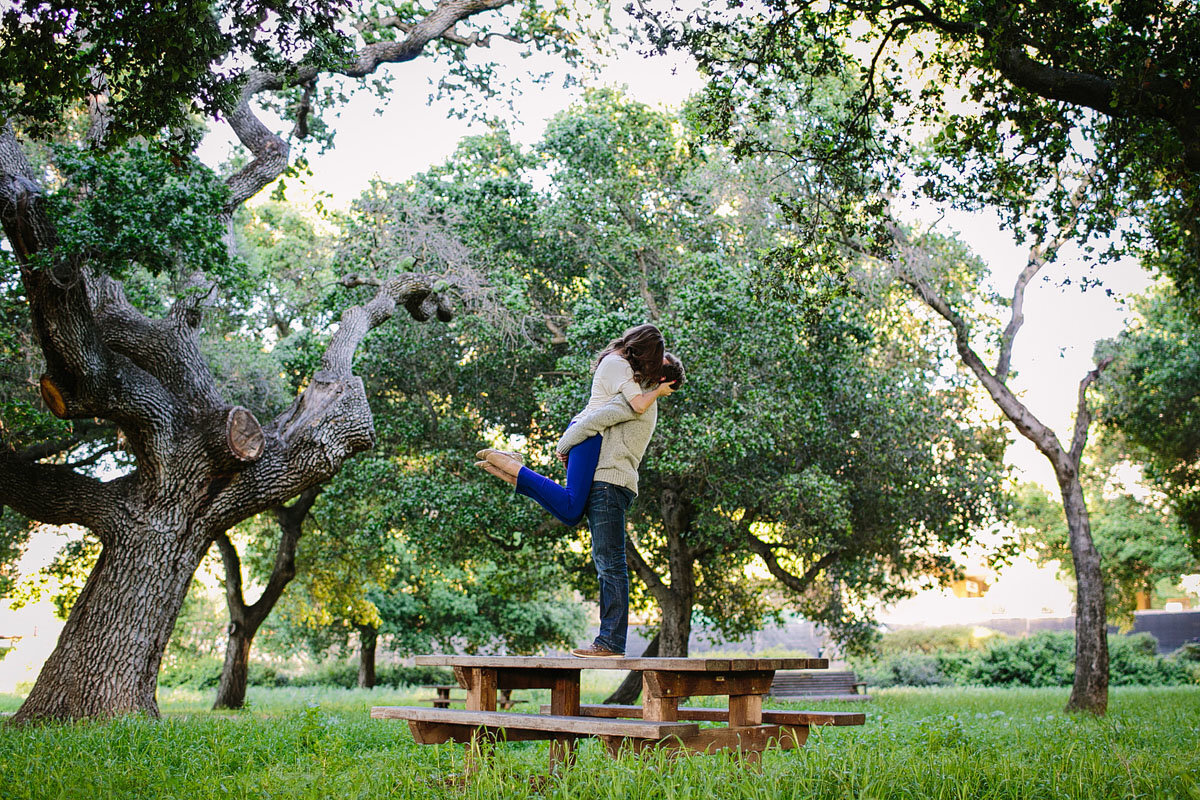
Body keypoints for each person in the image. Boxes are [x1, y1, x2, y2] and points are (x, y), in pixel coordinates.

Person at [476, 327, 685, 658]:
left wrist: (566, 441)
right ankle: (514, 470)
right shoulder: (634, 395)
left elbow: (598, 417)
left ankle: (610, 642)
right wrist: (570, 439)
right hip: (610, 481)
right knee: (602, 552)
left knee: (608, 560)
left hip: (610, 482)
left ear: (659, 377)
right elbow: (595, 416)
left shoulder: (638, 402)